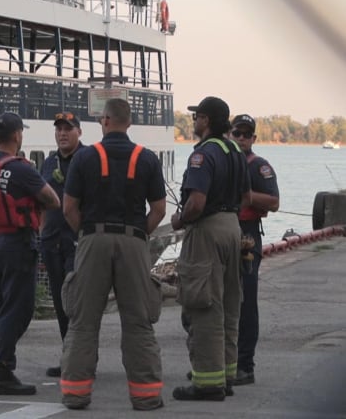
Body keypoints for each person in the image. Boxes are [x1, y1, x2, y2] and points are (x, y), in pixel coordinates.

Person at [60, 98, 167, 411]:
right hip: (134, 240)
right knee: (138, 322)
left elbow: (68, 208)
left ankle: (76, 393)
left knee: (83, 321)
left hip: (93, 239)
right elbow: (159, 209)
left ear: (104, 121)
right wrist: (138, 236)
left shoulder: (85, 158)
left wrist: (88, 234)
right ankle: (146, 395)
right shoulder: (147, 159)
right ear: (129, 123)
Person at [0, 112, 60, 396]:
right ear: (18, 135)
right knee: (17, 310)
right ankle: (3, 370)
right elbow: (53, 200)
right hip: (18, 244)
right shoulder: (21, 169)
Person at [171, 96, 250, 401]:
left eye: (196, 117)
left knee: (203, 304)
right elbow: (246, 197)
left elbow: (197, 203)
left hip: (207, 230)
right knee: (230, 306)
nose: (193, 122)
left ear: (207, 121)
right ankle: (226, 376)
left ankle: (206, 383)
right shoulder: (235, 151)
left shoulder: (203, 155)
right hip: (233, 227)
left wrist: (179, 220)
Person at [230, 114, 280, 386]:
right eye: (236, 133)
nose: (240, 138)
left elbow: (274, 201)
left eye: (246, 135)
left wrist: (249, 196)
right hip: (222, 232)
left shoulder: (259, 166)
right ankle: (220, 360)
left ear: (253, 139)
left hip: (247, 236)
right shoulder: (223, 161)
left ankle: (245, 365)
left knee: (246, 301)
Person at [39, 111, 85, 378]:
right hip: (53, 241)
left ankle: (80, 357)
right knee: (59, 301)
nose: (62, 133)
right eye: (58, 129)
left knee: (76, 301)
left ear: (79, 132)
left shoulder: (88, 159)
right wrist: (42, 231)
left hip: (77, 241)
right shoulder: (49, 162)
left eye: (68, 129)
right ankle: (68, 355)